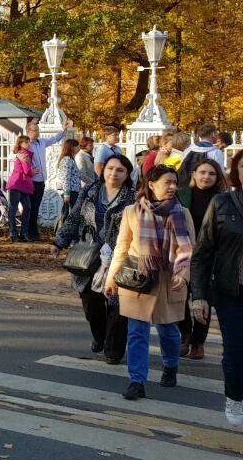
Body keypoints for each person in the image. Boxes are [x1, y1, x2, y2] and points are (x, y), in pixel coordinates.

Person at [104, 164, 195, 401]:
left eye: (175, 182)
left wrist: (182, 274)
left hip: (169, 279)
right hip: (139, 278)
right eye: (168, 182)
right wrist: (112, 277)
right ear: (152, 184)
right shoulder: (132, 212)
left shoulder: (181, 213)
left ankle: (170, 365)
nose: (173, 186)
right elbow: (122, 247)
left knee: (168, 331)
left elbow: (189, 248)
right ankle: (136, 381)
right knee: (137, 332)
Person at [54, 153, 136, 364]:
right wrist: (59, 241)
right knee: (91, 303)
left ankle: (113, 349)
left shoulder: (133, 197)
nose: (113, 173)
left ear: (127, 174)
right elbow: (74, 217)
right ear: (103, 170)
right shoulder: (90, 191)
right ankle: (100, 336)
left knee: (117, 306)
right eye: (110, 168)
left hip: (119, 256)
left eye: (120, 170)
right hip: (88, 255)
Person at [190, 150, 243, 427]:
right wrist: (199, 296)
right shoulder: (223, 203)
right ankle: (235, 396)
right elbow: (203, 253)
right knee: (235, 351)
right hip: (231, 291)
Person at [177, 159, 225, 359]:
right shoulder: (182, 195)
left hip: (210, 257)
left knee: (204, 298)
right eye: (202, 172)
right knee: (180, 296)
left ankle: (198, 342)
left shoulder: (223, 199)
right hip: (183, 253)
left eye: (211, 174)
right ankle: (185, 333)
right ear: (194, 174)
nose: (206, 177)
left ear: (217, 178)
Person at [25, 117, 71, 241]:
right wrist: (30, 171)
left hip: (41, 181)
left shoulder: (41, 142)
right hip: (31, 181)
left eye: (38, 130)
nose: (37, 132)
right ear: (28, 131)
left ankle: (33, 233)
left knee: (36, 208)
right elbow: (20, 159)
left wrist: (63, 129)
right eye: (35, 130)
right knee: (31, 208)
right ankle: (30, 233)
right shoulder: (26, 145)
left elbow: (55, 139)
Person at [6, 136, 35, 243]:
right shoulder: (24, 153)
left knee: (19, 208)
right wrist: (33, 172)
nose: (29, 144)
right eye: (26, 142)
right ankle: (19, 233)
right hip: (18, 183)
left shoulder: (21, 153)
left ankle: (17, 233)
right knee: (21, 208)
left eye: (28, 142)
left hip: (20, 184)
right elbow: (27, 171)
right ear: (21, 143)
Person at [55, 138, 81, 216]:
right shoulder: (67, 159)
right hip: (70, 192)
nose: (79, 148)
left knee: (70, 214)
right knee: (68, 215)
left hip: (73, 191)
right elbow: (65, 178)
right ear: (72, 147)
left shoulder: (71, 159)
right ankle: (64, 228)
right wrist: (66, 194)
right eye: (77, 146)